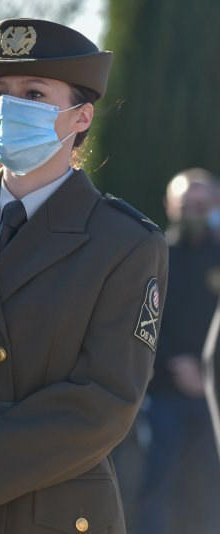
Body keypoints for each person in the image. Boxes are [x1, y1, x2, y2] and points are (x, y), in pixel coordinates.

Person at [0, 18, 169, 532]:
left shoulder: (125, 243)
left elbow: (104, 402)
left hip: (50, 511)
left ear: (81, 117)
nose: (8, 108)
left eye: (34, 93)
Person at [135, 169, 220, 533]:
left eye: (202, 205)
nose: (195, 212)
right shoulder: (154, 257)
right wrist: (177, 364)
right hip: (164, 394)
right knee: (158, 485)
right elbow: (138, 322)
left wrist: (208, 372)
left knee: (208, 488)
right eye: (187, 205)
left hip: (213, 396)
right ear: (170, 206)